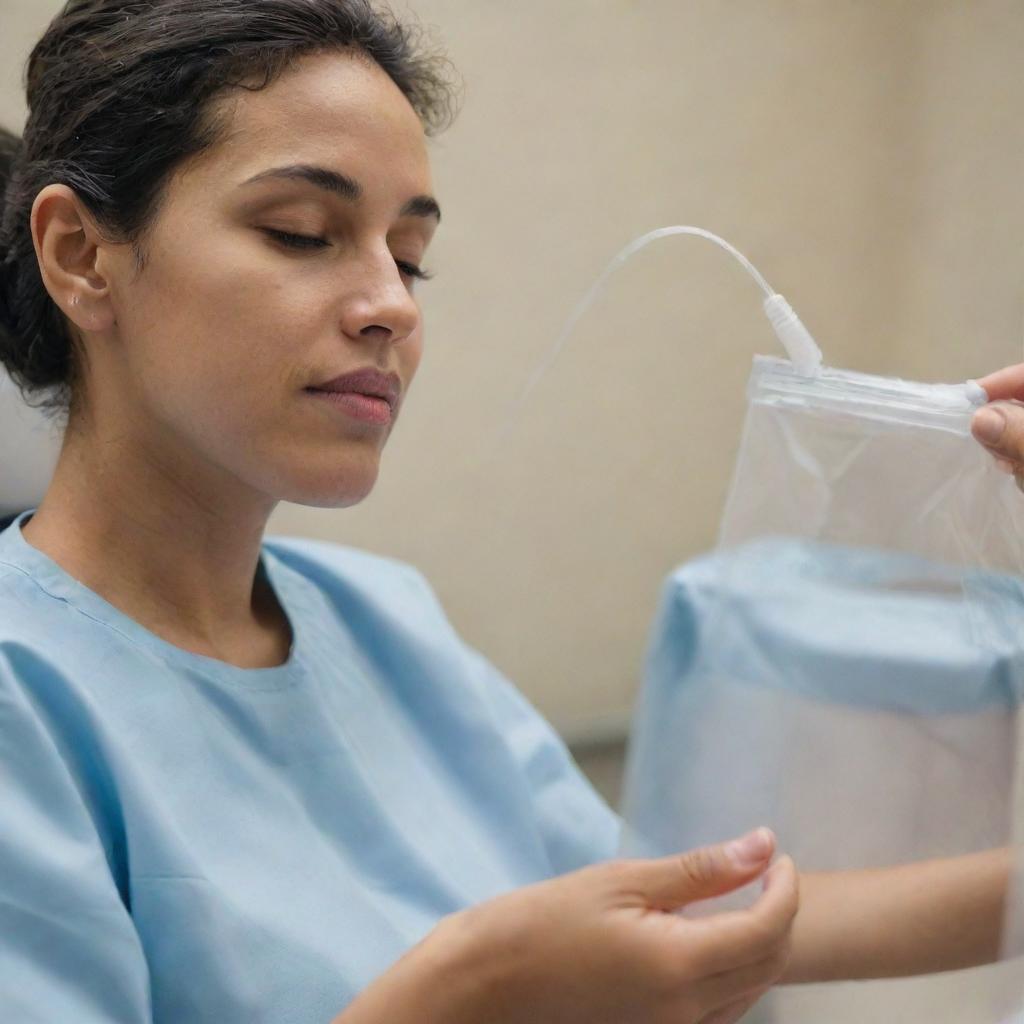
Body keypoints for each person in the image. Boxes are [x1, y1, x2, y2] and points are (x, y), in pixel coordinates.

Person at [0, 2, 1013, 1022]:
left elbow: (703, 912)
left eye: (409, 255)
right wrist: (464, 993)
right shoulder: (26, 698)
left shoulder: (387, 624)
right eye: (301, 233)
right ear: (83, 256)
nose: (389, 303)